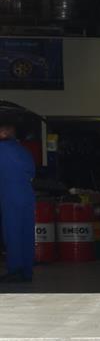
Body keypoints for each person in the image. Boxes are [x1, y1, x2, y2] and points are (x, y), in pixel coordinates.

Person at [0, 121, 36, 283]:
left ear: (5, 133)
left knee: (12, 232)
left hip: (10, 195)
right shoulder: (24, 151)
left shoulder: (2, 149)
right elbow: (31, 173)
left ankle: (15, 269)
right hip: (27, 195)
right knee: (26, 232)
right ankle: (27, 270)